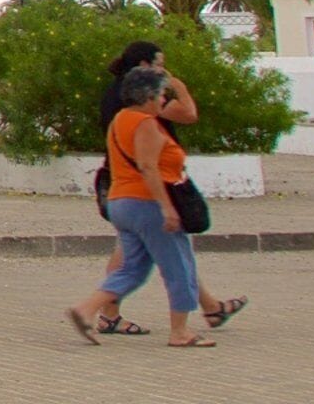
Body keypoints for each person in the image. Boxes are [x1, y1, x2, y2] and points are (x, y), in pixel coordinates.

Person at [80, 43, 246, 337]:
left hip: (119, 186)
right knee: (174, 261)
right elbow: (179, 127)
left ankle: (209, 307)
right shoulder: (143, 109)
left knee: (138, 260)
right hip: (145, 192)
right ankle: (178, 329)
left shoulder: (116, 99)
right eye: (161, 65)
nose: (164, 74)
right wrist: (179, 87)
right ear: (146, 66)